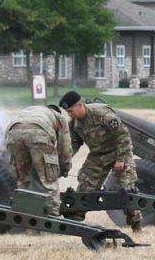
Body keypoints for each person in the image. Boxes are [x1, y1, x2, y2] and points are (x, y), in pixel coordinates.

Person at [59, 91, 141, 231]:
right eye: (67, 112)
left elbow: (123, 136)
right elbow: (73, 144)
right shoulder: (75, 124)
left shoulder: (102, 114)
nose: (69, 114)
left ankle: (135, 222)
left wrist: (121, 160)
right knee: (86, 186)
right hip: (98, 155)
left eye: (71, 111)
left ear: (80, 105)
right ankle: (76, 220)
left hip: (119, 152)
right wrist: (65, 160)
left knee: (126, 189)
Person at [4, 104, 73, 216]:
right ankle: (52, 214)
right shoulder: (58, 117)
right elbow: (65, 148)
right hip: (39, 133)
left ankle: (24, 214)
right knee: (49, 179)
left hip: (12, 133)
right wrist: (64, 169)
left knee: (23, 179)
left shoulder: (29, 110)